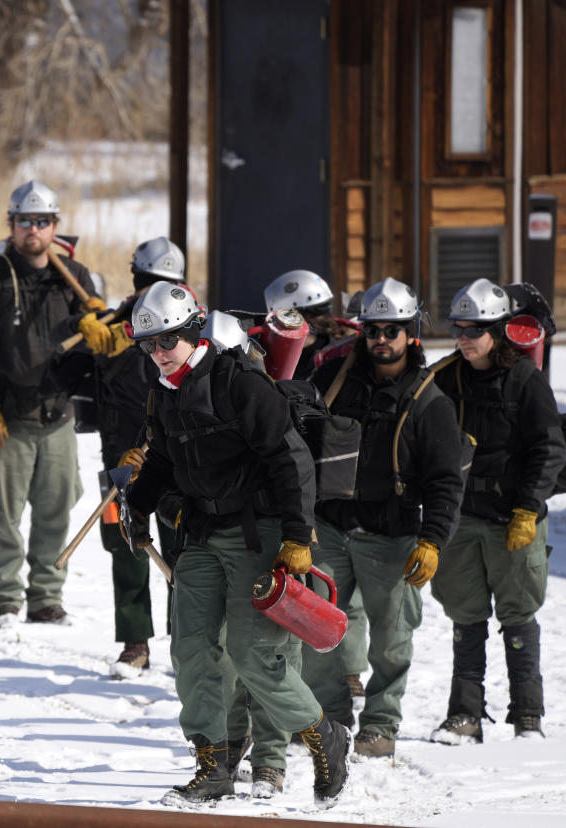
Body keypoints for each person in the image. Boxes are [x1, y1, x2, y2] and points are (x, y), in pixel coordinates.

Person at [122, 283, 350, 808]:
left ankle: (323, 736)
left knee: (253, 654)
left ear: (191, 334)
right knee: (192, 650)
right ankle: (214, 764)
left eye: (165, 343)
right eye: (147, 345)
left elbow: (289, 460)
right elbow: (161, 458)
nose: (157, 354)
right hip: (201, 535)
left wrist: (296, 537)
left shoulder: (239, 383)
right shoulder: (165, 392)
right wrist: (137, 505)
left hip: (258, 536)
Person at [301, 276, 465, 760]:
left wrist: (432, 540)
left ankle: (379, 724)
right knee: (317, 632)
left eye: (391, 331)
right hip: (328, 529)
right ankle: (330, 718)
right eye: (373, 331)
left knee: (392, 642)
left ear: (411, 333)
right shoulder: (330, 382)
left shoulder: (430, 401)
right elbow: (297, 445)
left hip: (391, 537)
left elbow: (445, 481)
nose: (381, 341)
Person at [0, 179, 102, 626]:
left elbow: (102, 349)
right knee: (4, 513)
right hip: (6, 419)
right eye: (23, 221)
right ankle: (7, 599)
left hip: (57, 416)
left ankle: (46, 598)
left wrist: (100, 320)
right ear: (11, 225)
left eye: (41, 221)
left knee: (56, 510)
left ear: (55, 226)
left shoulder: (76, 279)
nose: (32, 229)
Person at [429, 278, 566, 743]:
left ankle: (528, 715)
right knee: (465, 617)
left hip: (513, 517)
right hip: (461, 516)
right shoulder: (447, 378)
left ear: (500, 330)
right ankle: (464, 714)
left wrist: (528, 510)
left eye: (475, 329)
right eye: (459, 328)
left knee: (518, 615)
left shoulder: (525, 381)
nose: (464, 337)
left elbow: (548, 449)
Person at [64, 237, 183, 675]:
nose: (151, 287)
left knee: (182, 545)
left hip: (175, 448)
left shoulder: (188, 323)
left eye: (162, 282)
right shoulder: (113, 321)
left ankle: (186, 640)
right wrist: (92, 333)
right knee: (126, 541)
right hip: (120, 448)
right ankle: (136, 642)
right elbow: (71, 366)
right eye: (147, 279)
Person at [263, 270, 369, 701]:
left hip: (345, 480)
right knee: (318, 584)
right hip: (303, 485)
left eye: (291, 320)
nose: (284, 330)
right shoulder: (286, 356)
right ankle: (324, 672)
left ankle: (350, 669)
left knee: (346, 588)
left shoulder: (347, 357)